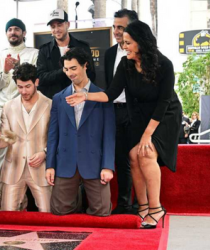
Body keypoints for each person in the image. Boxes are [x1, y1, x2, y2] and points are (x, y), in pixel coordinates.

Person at [67, 21, 182, 229]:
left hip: (164, 116)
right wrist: (84, 96)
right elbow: (110, 94)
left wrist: (148, 134)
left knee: (146, 153)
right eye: (123, 42)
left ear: (141, 43)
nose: (124, 46)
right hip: (138, 114)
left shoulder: (164, 64)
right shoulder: (125, 64)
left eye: (128, 42)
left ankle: (157, 209)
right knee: (132, 156)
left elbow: (164, 102)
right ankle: (143, 207)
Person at [46, 48, 115, 216]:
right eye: (66, 69)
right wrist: (50, 165)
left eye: (73, 68)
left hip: (94, 163)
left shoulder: (103, 97)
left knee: (102, 212)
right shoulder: (58, 98)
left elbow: (109, 135)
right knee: (59, 211)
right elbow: (53, 135)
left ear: (85, 66)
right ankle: (76, 199)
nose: (70, 73)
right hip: (65, 161)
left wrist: (107, 166)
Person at [0, 18, 39, 210]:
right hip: (4, 115)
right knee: (1, 155)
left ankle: (23, 204)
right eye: (9, 29)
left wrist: (17, 70)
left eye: (17, 29)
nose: (13, 32)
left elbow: (34, 83)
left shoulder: (34, 54)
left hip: (28, 115)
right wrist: (6, 71)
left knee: (25, 154)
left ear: (24, 33)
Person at [0, 63, 52, 212]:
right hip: (13, 167)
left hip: (41, 168)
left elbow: (56, 137)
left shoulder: (50, 105)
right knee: (8, 214)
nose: (23, 91)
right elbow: (6, 141)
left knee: (48, 213)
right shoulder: (8, 107)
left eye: (28, 86)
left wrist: (44, 153)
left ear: (36, 82)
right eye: (20, 87)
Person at [104, 9, 138, 215]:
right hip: (113, 112)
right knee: (120, 159)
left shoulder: (140, 53)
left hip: (135, 112)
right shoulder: (109, 54)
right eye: (114, 27)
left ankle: (139, 204)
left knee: (136, 159)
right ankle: (124, 204)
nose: (116, 32)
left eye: (121, 27)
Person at [37, 9, 96, 99]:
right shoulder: (44, 50)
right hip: (52, 101)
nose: (56, 30)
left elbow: (91, 74)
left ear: (67, 24)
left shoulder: (82, 47)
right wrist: (63, 70)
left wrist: (76, 62)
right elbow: (41, 78)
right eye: (53, 27)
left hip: (79, 98)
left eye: (59, 25)